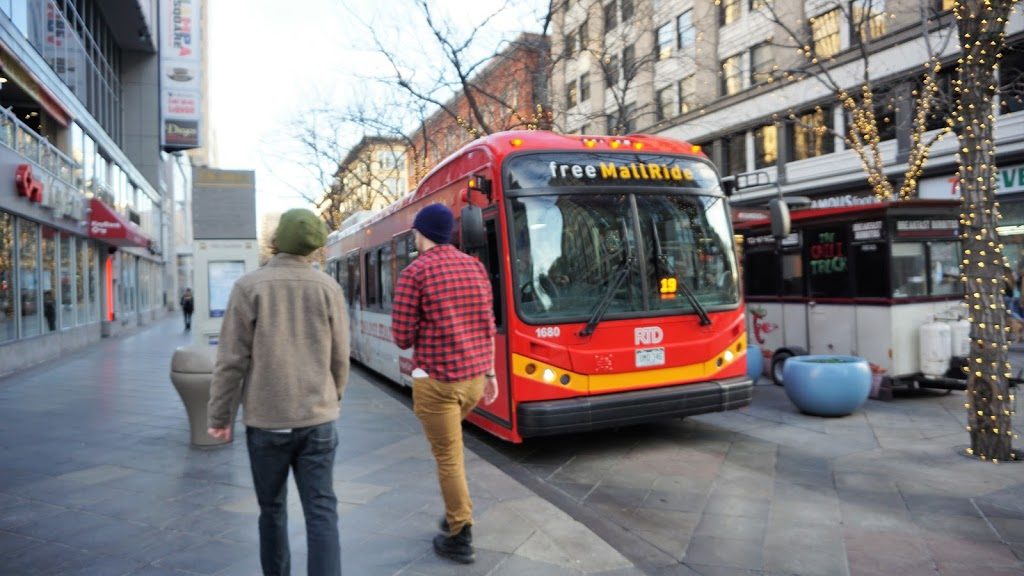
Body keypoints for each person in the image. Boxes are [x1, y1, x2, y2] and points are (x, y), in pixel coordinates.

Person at [207, 208, 350, 576]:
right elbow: (339, 358)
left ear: (276, 242)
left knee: (271, 509)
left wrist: (220, 417)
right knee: (321, 510)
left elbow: (231, 360)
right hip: (317, 420)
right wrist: (332, 397)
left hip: (267, 422)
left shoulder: (248, 287)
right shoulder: (328, 288)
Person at [391, 203, 497, 565]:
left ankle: (460, 535)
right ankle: (457, 512)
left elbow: (402, 337)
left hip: (437, 382)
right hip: (473, 381)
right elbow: (487, 322)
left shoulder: (415, 273)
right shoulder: (475, 267)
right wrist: (492, 374)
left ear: (423, 234)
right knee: (454, 452)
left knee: (449, 458)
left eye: (417, 233)